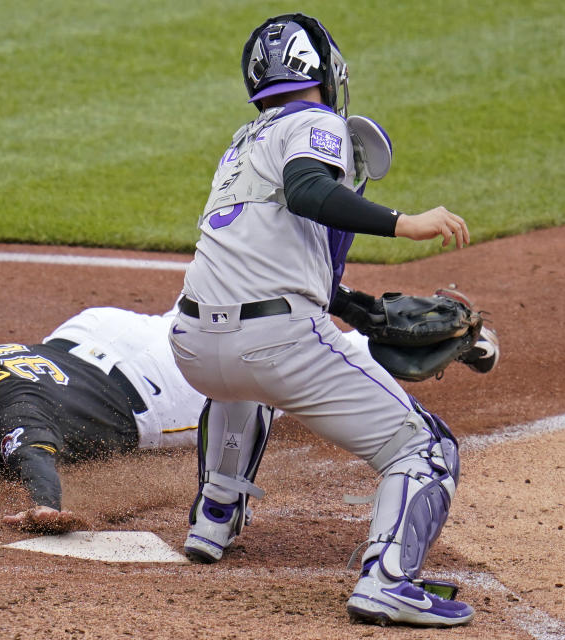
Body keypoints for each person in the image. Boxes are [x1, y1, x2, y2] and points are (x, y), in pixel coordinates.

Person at [167, 14, 477, 628]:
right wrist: (403, 222)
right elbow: (310, 188)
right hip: (275, 345)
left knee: (246, 377)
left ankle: (215, 515)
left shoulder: (242, 144)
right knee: (428, 446)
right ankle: (388, 580)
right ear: (324, 73)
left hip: (194, 347)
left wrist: (359, 309)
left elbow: (273, 261)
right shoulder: (317, 123)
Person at [0, 290, 496, 535]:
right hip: (89, 333)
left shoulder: (13, 403)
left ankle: (431, 331)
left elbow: (32, 458)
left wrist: (44, 508)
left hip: (161, 384)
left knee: (292, 372)